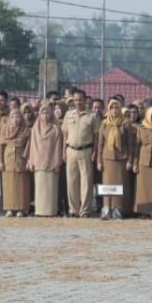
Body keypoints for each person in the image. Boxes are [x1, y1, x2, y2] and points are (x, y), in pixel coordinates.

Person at [62, 88, 100, 218]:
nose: (78, 102)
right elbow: (65, 134)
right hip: (71, 150)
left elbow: (96, 136)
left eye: (80, 100)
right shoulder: (68, 115)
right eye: (76, 100)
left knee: (86, 182)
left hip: (86, 151)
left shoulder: (92, 116)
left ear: (85, 100)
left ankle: (84, 210)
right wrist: (63, 151)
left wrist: (95, 151)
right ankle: (73, 209)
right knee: (71, 181)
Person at [97, 98, 134, 219]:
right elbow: (100, 144)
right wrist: (99, 160)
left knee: (119, 184)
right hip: (107, 159)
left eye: (116, 107)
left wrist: (130, 160)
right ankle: (107, 208)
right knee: (107, 185)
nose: (114, 110)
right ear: (108, 109)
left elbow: (130, 144)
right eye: (112, 108)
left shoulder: (126, 123)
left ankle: (118, 209)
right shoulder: (104, 123)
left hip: (121, 159)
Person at [26, 103, 64, 217]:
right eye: (42, 113)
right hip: (38, 162)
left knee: (51, 188)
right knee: (40, 188)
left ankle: (51, 210)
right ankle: (40, 210)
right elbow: (32, 146)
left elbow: (58, 146)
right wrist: (31, 160)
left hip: (52, 162)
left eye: (47, 112)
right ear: (39, 115)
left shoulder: (56, 129)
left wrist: (57, 162)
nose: (45, 115)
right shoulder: (35, 129)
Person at [0, 109, 32, 217]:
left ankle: (21, 208)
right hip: (8, 160)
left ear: (21, 118)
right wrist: (0, 161)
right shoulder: (5, 130)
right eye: (12, 117)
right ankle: (10, 208)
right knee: (8, 185)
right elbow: (1, 147)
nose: (15, 120)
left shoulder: (26, 130)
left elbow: (29, 147)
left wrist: (28, 160)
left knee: (21, 185)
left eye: (17, 117)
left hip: (21, 160)